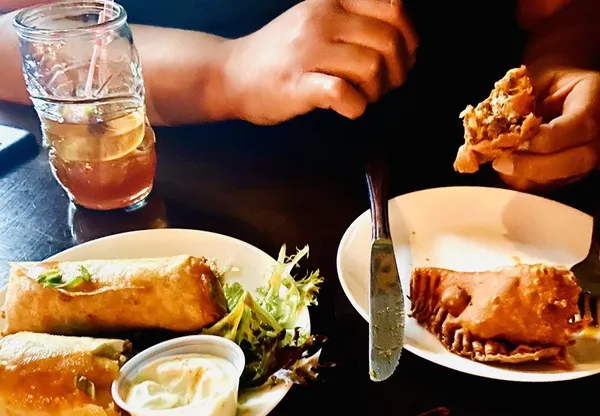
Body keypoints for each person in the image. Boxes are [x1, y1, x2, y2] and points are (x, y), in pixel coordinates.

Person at [0, 0, 598, 191]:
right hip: (176, 200)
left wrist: (559, 71)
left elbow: (564, 12)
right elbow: (15, 34)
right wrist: (225, 71)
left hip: (469, 209)